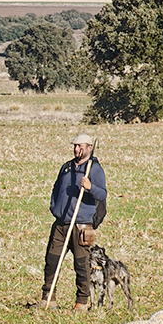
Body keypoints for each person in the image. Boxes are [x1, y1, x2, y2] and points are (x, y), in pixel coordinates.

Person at [42, 132, 107, 309]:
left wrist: (90, 187)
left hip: (82, 225)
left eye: (81, 147)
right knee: (52, 260)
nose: (77, 149)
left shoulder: (94, 169)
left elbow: (102, 194)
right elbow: (56, 188)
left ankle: (82, 302)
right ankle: (48, 298)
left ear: (89, 148)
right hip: (61, 224)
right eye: (75, 146)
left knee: (81, 265)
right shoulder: (67, 167)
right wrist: (55, 207)